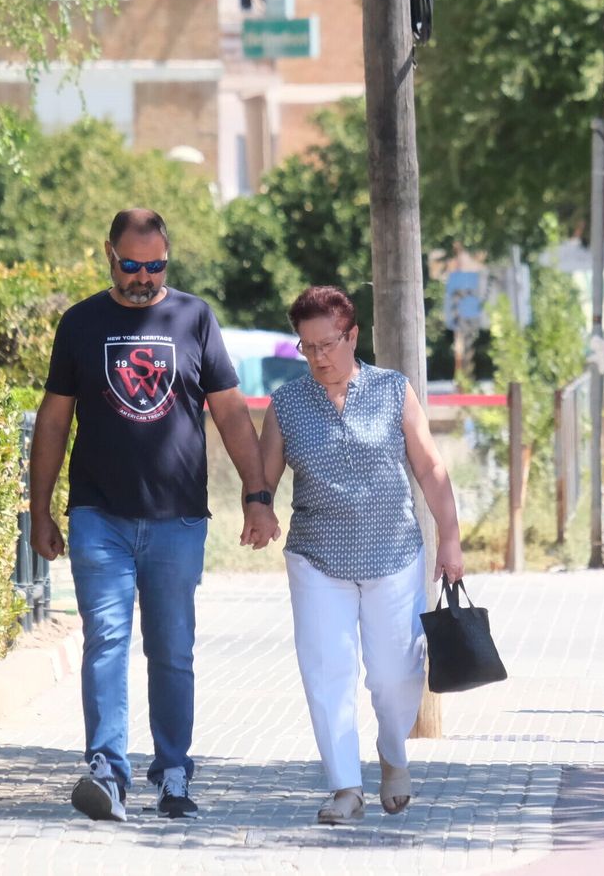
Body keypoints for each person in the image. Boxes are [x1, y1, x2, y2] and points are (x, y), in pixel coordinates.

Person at [29, 208, 280, 821]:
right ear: (109, 254)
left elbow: (228, 411)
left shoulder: (194, 318)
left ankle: (172, 773)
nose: (144, 277)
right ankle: (108, 772)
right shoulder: (81, 323)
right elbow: (54, 420)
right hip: (99, 517)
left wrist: (257, 493)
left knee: (171, 649)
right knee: (107, 640)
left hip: (177, 520)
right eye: (132, 265)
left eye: (156, 265)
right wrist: (40, 511)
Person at [255, 285, 465, 825]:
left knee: (395, 674)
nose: (319, 357)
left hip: (393, 554)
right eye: (307, 347)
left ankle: (393, 753)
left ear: (352, 336)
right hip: (316, 557)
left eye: (328, 344)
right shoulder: (287, 404)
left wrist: (449, 537)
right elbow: (264, 478)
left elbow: (430, 468)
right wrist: (259, 509)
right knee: (327, 672)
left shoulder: (394, 390)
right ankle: (344, 786)